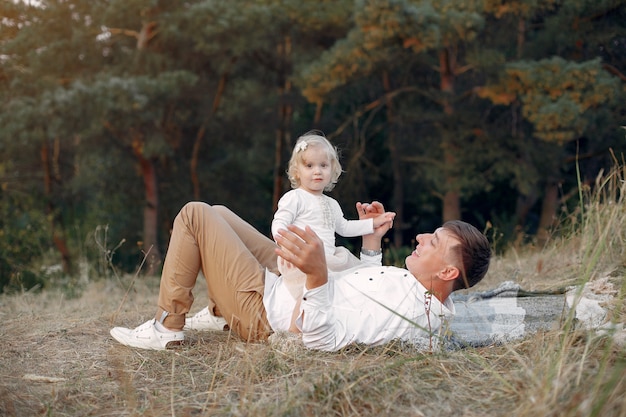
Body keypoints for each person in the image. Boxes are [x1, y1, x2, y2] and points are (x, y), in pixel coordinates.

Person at [110, 200, 491, 352]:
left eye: (435, 241)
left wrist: (317, 275)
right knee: (220, 213)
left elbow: (321, 337)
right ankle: (217, 313)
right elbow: (367, 291)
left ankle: (166, 326)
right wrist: (372, 244)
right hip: (289, 285)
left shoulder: (410, 314)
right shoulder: (420, 292)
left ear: (447, 270)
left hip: (266, 311)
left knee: (194, 214)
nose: (423, 236)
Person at [272, 132, 395, 302]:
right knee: (308, 294)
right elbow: (280, 222)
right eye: (309, 166)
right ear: (297, 171)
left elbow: (344, 227)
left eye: (323, 165)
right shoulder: (295, 197)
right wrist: (287, 246)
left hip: (329, 260)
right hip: (302, 257)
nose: (317, 171)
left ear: (333, 169)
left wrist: (372, 224)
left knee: (345, 284)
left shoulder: (332, 203)